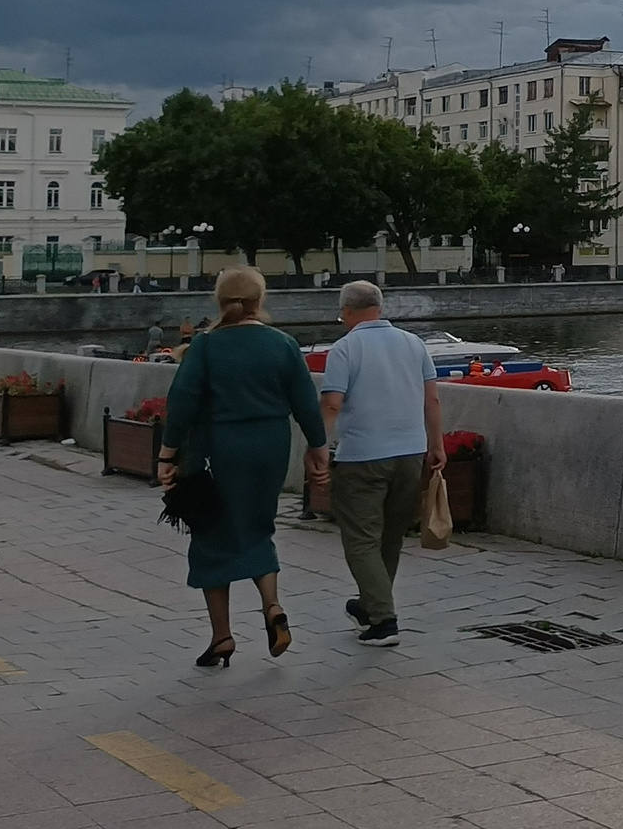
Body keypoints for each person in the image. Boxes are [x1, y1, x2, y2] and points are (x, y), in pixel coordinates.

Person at [156, 267, 330, 668]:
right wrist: (318, 448)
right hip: (270, 448)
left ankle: (222, 637)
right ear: (259, 300)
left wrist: (168, 456)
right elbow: (306, 401)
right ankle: (272, 607)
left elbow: (182, 401)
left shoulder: (206, 346)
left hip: (217, 450)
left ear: (220, 301)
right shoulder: (283, 344)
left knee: (211, 534)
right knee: (257, 525)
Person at [317, 281, 443, 648]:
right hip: (410, 453)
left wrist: (319, 448)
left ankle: (384, 620)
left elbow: (332, 404)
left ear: (347, 311)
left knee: (360, 539)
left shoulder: (345, 348)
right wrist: (435, 445)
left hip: (363, 456)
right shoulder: (413, 344)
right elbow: (432, 399)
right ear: (379, 306)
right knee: (390, 537)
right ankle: (370, 606)